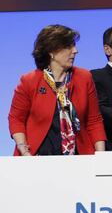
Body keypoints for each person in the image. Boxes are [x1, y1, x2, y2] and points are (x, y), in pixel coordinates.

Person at [8, 25, 106, 156]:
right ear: (51, 52)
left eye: (74, 46)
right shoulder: (29, 81)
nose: (75, 51)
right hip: (38, 157)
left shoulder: (84, 77)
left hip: (79, 158)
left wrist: (101, 156)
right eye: (69, 47)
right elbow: (16, 119)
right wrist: (24, 151)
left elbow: (94, 120)